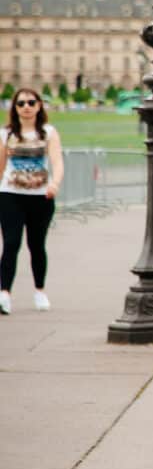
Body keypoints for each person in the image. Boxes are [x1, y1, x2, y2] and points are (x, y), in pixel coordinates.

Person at [0, 88, 64, 314]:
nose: (26, 107)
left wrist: (54, 184)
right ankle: (4, 293)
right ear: (15, 108)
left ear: (38, 106)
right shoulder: (6, 134)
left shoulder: (48, 132)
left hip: (40, 197)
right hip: (10, 195)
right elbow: (0, 167)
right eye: (21, 103)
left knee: (36, 246)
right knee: (10, 243)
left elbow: (57, 161)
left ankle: (39, 291)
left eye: (30, 102)